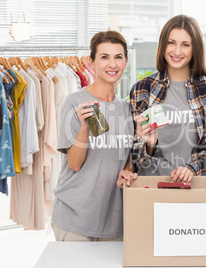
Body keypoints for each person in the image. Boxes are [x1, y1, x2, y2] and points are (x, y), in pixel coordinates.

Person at [52, 30, 137, 241]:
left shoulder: (128, 109)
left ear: (125, 61)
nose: (112, 64)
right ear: (92, 62)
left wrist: (128, 172)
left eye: (118, 57)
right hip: (75, 220)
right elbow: (74, 164)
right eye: (104, 57)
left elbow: (126, 159)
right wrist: (83, 128)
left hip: (114, 222)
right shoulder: (75, 102)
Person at [125, 15, 206, 182]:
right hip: (151, 187)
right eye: (171, 43)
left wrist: (191, 169)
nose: (177, 51)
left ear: (195, 49)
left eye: (185, 45)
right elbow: (134, 154)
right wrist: (149, 146)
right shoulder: (142, 89)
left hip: (196, 188)